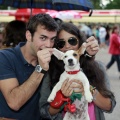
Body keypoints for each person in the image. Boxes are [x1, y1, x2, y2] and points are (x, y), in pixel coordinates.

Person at [39, 22, 116, 120]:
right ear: (57, 48)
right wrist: (61, 97)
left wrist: (89, 90)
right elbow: (44, 112)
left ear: (80, 42)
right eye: (61, 43)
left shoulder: (98, 67)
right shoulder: (51, 71)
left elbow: (109, 106)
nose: (67, 46)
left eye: (72, 41)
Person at [0, 13, 59, 120]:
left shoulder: (53, 60)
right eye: (43, 38)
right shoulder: (5, 57)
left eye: (52, 39)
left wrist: (88, 54)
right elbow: (14, 102)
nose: (48, 45)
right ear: (29, 36)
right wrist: (40, 69)